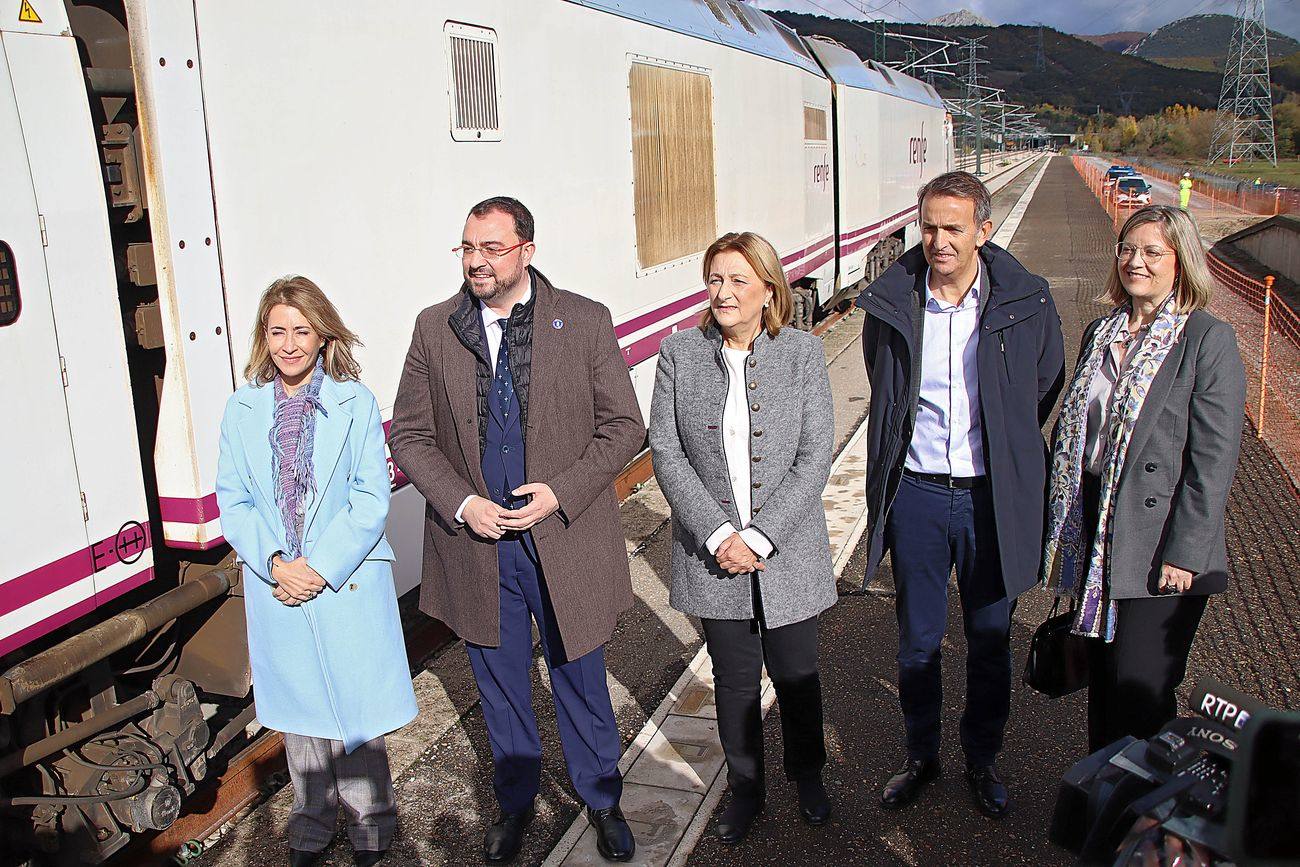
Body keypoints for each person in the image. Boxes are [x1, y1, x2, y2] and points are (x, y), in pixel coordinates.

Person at [389, 197, 644, 863]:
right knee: (500, 686)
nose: (476, 260)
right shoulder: (434, 327)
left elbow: (625, 425)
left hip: (564, 538)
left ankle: (602, 797)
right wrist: (461, 502)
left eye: (491, 248)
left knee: (579, 677)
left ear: (526, 250)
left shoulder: (583, 321)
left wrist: (562, 491)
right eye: (468, 247)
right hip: (478, 547)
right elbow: (411, 437)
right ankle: (515, 800)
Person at [856, 170, 1065, 818]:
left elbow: (1045, 383)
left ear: (984, 229)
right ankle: (922, 755)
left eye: (953, 227)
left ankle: (981, 757)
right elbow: (884, 380)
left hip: (989, 497)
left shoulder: (1026, 301)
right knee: (917, 641)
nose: (939, 241)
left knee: (989, 638)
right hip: (917, 493)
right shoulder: (895, 300)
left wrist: (999, 444)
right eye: (929, 227)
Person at [215, 276, 417, 867]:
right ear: (264, 338)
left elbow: (369, 498)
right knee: (302, 714)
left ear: (323, 334)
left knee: (354, 713)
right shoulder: (242, 408)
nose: (289, 343)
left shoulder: (355, 403)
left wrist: (319, 568)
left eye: (301, 330)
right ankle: (310, 823)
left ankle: (372, 825)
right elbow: (234, 499)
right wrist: (276, 562)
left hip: (342, 576)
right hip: (278, 579)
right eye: (278, 330)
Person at [649, 232, 837, 845]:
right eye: (715, 279)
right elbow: (668, 452)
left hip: (787, 551)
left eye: (737, 280)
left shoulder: (803, 355)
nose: (723, 293)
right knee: (732, 680)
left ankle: (808, 774)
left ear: (769, 289)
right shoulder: (679, 355)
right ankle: (746, 788)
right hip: (713, 555)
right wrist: (722, 533)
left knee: (796, 672)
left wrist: (759, 535)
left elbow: (813, 458)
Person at [1042, 205, 1245, 753]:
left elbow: (1213, 457)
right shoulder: (1101, 330)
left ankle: (1142, 820)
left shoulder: (1206, 339)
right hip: (1097, 519)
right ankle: (1102, 802)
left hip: (1158, 541)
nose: (1137, 262)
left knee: (1144, 685)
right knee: (1104, 674)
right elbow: (1076, 429)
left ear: (1181, 263)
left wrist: (1187, 551)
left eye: (1153, 252)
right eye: (1128, 250)